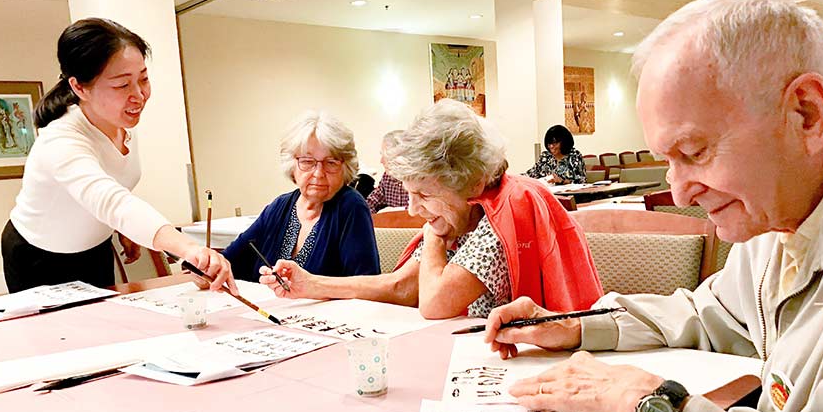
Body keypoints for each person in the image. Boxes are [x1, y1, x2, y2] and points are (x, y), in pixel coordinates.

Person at [485, 0, 823, 412]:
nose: (675, 191)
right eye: (666, 159)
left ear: (806, 114)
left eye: (694, 152)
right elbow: (709, 312)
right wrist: (577, 324)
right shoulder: (775, 226)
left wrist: (656, 405)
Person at [260, 98, 603, 319]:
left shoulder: (504, 210)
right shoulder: (459, 213)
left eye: (423, 195)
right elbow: (402, 287)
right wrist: (311, 285)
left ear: (467, 182)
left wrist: (431, 233)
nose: (412, 209)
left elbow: (434, 302)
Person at [1, 18, 235, 293]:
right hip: (39, 255)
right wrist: (189, 249)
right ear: (79, 87)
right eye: (122, 86)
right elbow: (111, 201)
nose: (139, 95)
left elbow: (113, 189)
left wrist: (121, 228)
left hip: (94, 248)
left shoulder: (122, 124)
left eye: (144, 79)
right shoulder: (61, 139)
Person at [222, 110, 379, 282]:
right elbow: (230, 261)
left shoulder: (351, 206)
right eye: (307, 161)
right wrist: (213, 269)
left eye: (331, 162)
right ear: (292, 165)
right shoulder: (279, 206)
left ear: (345, 168)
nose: (319, 173)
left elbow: (366, 285)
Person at [366, 130, 409, 213]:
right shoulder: (387, 177)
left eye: (384, 156)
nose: (381, 161)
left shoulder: (419, 178)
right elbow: (371, 203)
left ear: (398, 156)